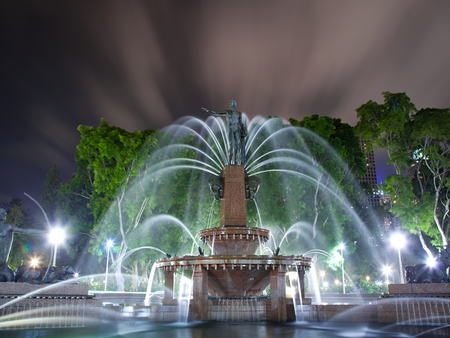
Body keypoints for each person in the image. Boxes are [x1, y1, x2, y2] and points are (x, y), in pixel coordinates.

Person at [0, 207, 47, 282]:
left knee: (10, 279)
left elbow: (27, 231)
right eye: (2, 213)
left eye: (5, 213)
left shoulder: (8, 227)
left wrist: (44, 232)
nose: (4, 215)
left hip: (3, 266)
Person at [202, 100, 248, 165]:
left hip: (237, 129)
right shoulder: (227, 112)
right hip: (231, 129)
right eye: (231, 104)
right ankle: (229, 161)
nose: (232, 105)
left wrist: (243, 131)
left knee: (238, 145)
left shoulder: (239, 113)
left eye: (233, 104)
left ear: (235, 105)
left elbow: (241, 124)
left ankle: (238, 162)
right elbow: (216, 112)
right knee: (231, 146)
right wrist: (208, 110)